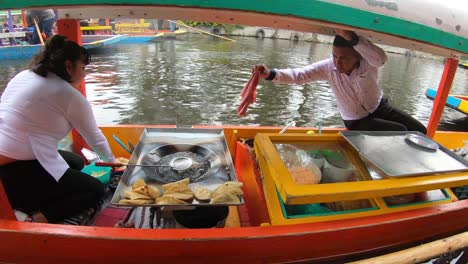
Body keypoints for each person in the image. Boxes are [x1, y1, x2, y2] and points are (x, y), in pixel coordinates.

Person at [0, 35, 115, 223]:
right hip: (11, 177)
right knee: (95, 190)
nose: (84, 74)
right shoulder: (68, 95)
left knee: (76, 162)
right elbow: (95, 138)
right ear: (69, 66)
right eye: (83, 68)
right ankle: (36, 219)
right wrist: (113, 164)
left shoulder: (25, 75)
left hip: (16, 162)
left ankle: (38, 199)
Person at [252, 29, 427, 133]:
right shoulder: (328, 67)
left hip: (380, 107)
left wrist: (352, 38)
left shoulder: (369, 62)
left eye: (344, 58)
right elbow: (300, 76)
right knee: (401, 132)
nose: (337, 62)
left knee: (420, 131)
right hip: (356, 120)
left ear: (358, 55)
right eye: (335, 56)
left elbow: (381, 59)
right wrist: (270, 74)